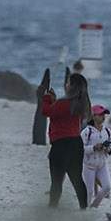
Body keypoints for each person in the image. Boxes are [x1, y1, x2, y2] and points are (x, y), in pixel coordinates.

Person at [40, 73, 92, 208]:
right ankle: (83, 208)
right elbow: (59, 112)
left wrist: (46, 98)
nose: (66, 84)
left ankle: (52, 207)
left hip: (61, 146)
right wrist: (54, 101)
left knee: (56, 181)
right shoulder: (80, 103)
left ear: (72, 86)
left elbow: (46, 111)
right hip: (76, 144)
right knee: (77, 179)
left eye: (68, 83)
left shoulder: (64, 103)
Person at [81, 105, 111, 208]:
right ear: (93, 116)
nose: (103, 117)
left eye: (104, 114)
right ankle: (85, 209)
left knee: (107, 187)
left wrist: (108, 149)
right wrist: (94, 148)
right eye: (100, 114)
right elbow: (80, 149)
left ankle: (94, 206)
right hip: (89, 165)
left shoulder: (108, 131)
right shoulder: (87, 132)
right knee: (89, 191)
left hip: (102, 164)